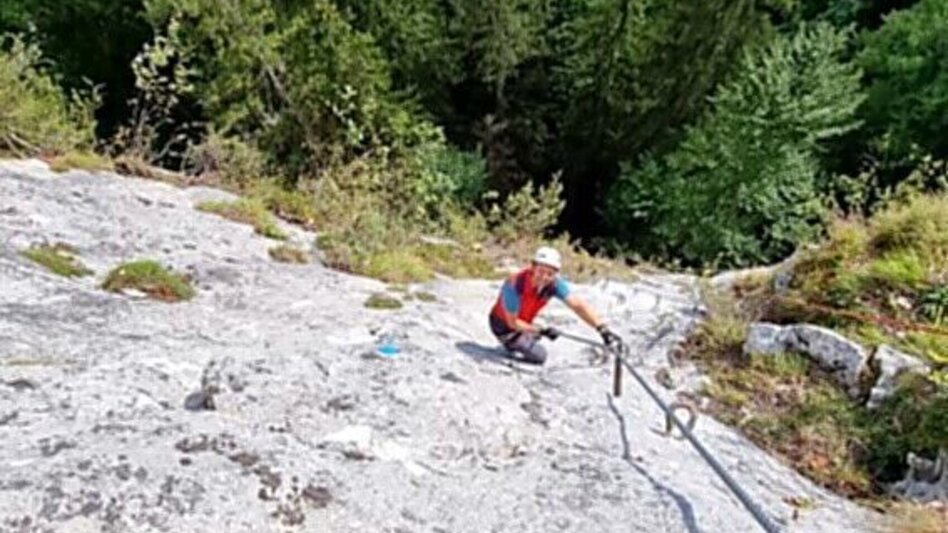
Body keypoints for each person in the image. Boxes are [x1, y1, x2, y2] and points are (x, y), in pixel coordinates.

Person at [488, 246, 623, 364]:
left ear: (555, 274)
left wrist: (602, 328)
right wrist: (540, 330)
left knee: (533, 336)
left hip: (523, 320)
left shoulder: (554, 285)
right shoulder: (515, 285)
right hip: (503, 325)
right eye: (541, 271)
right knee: (540, 356)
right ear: (533, 267)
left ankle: (526, 336)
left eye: (550, 274)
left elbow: (578, 305)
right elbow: (512, 323)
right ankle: (510, 344)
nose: (544, 277)